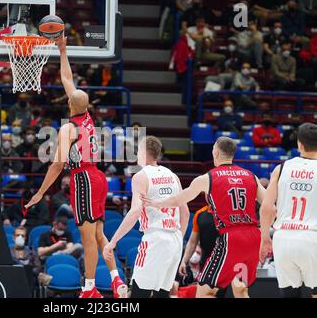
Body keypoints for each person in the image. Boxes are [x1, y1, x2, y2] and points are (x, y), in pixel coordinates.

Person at [24, 34, 127, 298]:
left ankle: (90, 288)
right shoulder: (87, 116)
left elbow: (57, 165)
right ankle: (116, 280)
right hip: (98, 177)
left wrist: (40, 192)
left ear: (70, 103)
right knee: (100, 234)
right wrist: (62, 50)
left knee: (88, 237)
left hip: (83, 180)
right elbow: (68, 80)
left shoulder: (68, 128)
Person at [140, 137, 266, 298]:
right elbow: (270, 206)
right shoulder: (251, 176)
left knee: (205, 291)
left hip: (231, 237)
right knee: (240, 288)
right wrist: (264, 233)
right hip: (254, 236)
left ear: (215, 152)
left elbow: (179, 199)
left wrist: (156, 203)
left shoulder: (208, 177)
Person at [103, 136, 190, 298]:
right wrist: (179, 237)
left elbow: (135, 211)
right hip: (175, 240)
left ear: (143, 153)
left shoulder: (141, 177)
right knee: (163, 292)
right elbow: (185, 212)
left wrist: (113, 241)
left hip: (155, 238)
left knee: (139, 291)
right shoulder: (172, 176)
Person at [260, 123, 317, 298]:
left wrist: (264, 238)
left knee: (289, 294)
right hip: (312, 237)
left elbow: (267, 207)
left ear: (299, 143)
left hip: (283, 238)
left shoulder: (281, 168)